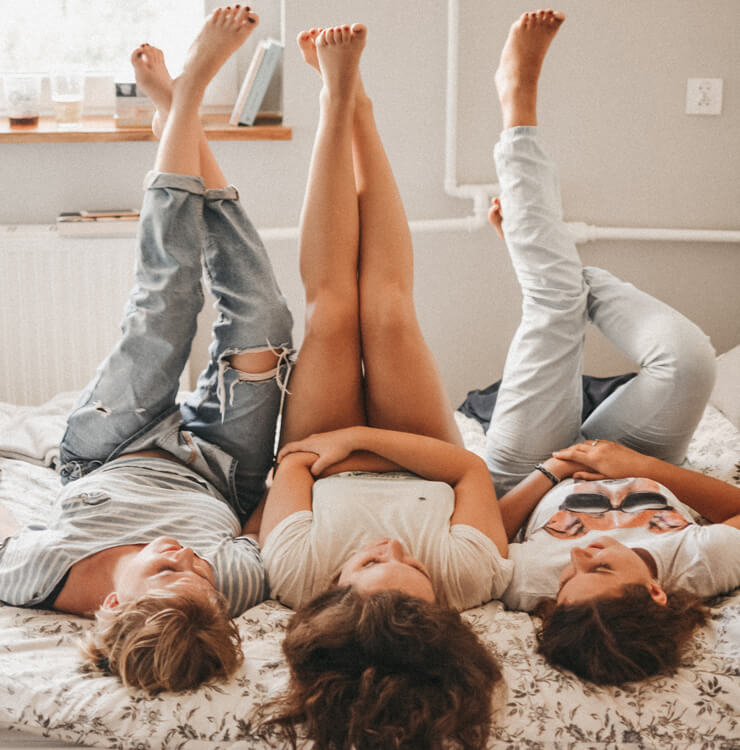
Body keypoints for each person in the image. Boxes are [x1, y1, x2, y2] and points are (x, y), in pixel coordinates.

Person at [0, 6, 293, 693]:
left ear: (111, 604)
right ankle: (178, 109)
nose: (189, 560)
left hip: (111, 446)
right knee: (266, 324)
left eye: (167, 571)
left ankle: (185, 96)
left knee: (167, 305)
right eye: (201, 578)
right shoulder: (225, 590)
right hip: (220, 469)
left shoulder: (37, 576)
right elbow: (257, 524)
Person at [258, 23, 510, 750]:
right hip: (420, 447)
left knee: (334, 313)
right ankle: (362, 110)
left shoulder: (296, 571)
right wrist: (365, 440)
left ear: (335, 587)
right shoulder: (468, 579)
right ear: (441, 609)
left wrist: (333, 447)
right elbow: (468, 467)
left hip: (320, 448)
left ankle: (336, 100)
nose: (394, 546)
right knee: (390, 311)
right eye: (411, 567)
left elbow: (295, 462)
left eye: (374, 561)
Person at [481, 10, 740, 685]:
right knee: (689, 358)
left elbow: (482, 532)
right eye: (600, 567)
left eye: (571, 577)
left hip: (535, 466)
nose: (581, 557)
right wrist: (630, 462)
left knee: (553, 304)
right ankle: (548, 264)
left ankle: (518, 103)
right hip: (646, 460)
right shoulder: (699, 567)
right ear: (655, 592)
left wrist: (555, 475)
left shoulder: (540, 583)